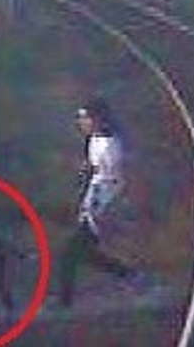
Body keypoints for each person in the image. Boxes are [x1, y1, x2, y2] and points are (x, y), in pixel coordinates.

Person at [57, 97, 136, 307]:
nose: (81, 123)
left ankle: (64, 303)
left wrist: (95, 207)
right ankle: (129, 275)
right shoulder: (94, 140)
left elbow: (113, 179)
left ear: (98, 119)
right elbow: (93, 168)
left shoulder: (113, 144)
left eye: (85, 118)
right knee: (81, 252)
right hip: (93, 202)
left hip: (104, 205)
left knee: (70, 252)